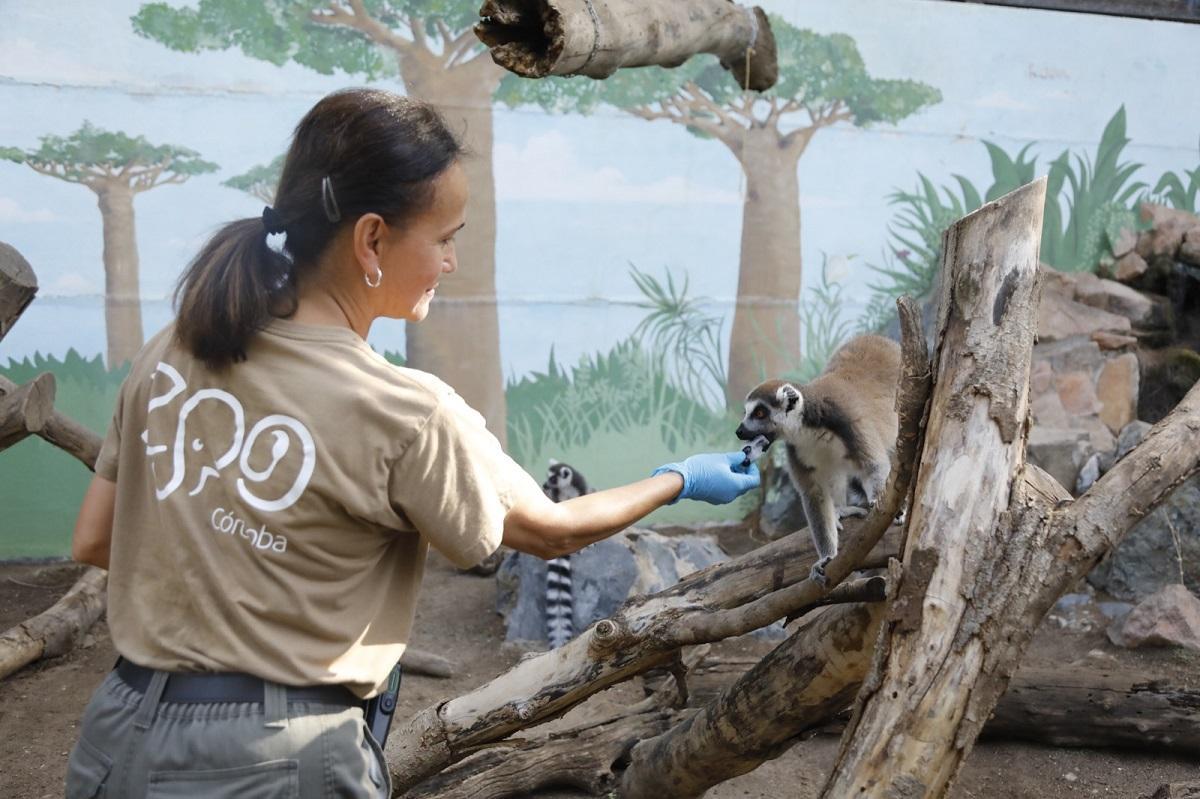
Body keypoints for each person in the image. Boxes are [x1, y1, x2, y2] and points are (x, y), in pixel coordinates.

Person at [66, 87, 760, 799]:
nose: (452, 261)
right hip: (278, 755)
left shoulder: (175, 349)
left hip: (119, 731)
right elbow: (551, 529)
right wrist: (679, 477)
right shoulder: (407, 409)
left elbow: (95, 539)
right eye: (446, 237)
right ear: (372, 239)